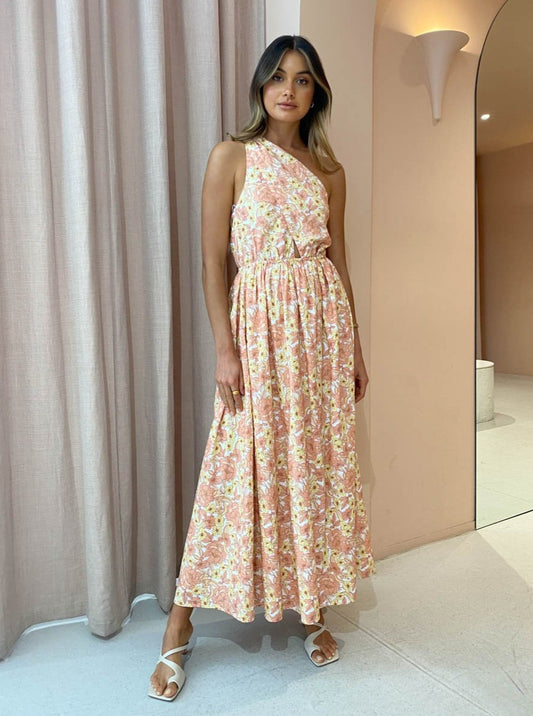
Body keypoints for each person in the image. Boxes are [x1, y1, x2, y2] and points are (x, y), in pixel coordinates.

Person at [148, 34, 375, 702]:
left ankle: (312, 611)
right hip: (258, 330)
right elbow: (211, 261)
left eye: (302, 80)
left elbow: (339, 261)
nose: (288, 90)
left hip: (321, 335)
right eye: (278, 77)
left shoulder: (329, 171)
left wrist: (355, 347)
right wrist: (224, 348)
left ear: (316, 93)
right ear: (260, 86)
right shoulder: (232, 156)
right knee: (235, 470)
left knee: (312, 467)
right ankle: (179, 625)